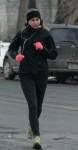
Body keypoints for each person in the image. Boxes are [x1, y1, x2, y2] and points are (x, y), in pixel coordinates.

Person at [8, 9, 57, 149]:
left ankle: (31, 125)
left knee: (39, 107)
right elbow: (11, 49)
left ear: (40, 20)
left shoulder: (46, 34)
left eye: (37, 19)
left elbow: (54, 54)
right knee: (33, 105)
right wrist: (15, 56)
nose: (35, 22)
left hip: (41, 74)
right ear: (28, 21)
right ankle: (37, 138)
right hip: (26, 74)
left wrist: (43, 49)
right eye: (32, 20)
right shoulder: (22, 34)